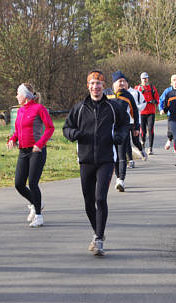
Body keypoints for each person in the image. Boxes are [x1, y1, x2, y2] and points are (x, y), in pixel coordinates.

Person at [63, 70, 129, 256]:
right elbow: (66, 127)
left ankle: (99, 238)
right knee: (88, 202)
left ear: (103, 86)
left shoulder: (113, 107)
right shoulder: (79, 108)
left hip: (107, 158)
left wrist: (119, 136)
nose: (95, 87)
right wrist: (73, 135)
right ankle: (97, 231)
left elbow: (125, 124)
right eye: (92, 83)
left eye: (99, 84)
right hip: (85, 160)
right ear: (88, 86)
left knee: (100, 198)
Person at [7, 83, 55, 227]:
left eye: (18, 93)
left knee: (33, 183)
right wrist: (12, 139)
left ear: (25, 95)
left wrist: (39, 144)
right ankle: (35, 203)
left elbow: (50, 128)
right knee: (19, 184)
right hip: (23, 151)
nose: (16, 96)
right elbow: (17, 131)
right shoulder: (20, 111)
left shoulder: (39, 109)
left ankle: (39, 216)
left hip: (37, 151)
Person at [106, 70, 140, 192]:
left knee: (121, 153)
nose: (122, 83)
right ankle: (118, 177)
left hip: (123, 127)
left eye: (124, 81)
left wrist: (136, 127)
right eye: (119, 81)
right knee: (113, 155)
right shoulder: (106, 94)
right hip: (109, 128)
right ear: (114, 83)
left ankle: (121, 180)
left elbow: (134, 111)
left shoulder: (127, 95)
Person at [135, 72, 159, 155]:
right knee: (143, 131)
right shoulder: (137, 88)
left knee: (150, 129)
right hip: (141, 112)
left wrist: (154, 101)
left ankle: (150, 148)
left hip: (151, 112)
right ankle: (143, 143)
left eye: (146, 78)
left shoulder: (152, 88)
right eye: (143, 78)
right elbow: (134, 99)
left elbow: (157, 99)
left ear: (148, 78)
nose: (145, 80)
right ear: (141, 79)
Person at [126, 82, 148, 168]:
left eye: (124, 82)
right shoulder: (118, 94)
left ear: (127, 83)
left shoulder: (136, 92)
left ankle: (141, 150)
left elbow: (144, 102)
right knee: (126, 142)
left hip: (135, 121)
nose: (122, 84)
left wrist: (136, 108)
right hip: (124, 122)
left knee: (135, 141)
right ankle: (131, 161)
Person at [159, 86, 174, 150]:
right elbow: (161, 100)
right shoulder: (167, 90)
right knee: (171, 130)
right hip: (170, 114)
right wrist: (161, 109)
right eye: (174, 80)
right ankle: (169, 140)